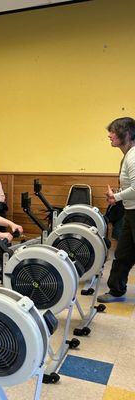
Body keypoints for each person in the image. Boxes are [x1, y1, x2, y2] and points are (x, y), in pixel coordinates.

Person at [97, 117, 135, 303]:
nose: (109, 135)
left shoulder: (134, 155)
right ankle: (116, 290)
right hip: (130, 211)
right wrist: (119, 194)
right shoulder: (128, 155)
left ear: (126, 134)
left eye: (113, 131)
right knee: (123, 253)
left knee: (125, 253)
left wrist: (116, 197)